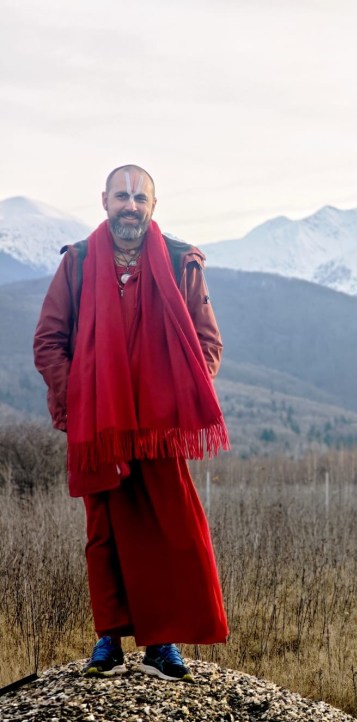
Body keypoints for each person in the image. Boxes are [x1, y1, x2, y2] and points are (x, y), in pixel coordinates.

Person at [33, 164, 230, 682]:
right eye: (121, 196)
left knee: (171, 532)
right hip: (99, 426)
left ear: (153, 206)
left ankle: (162, 642)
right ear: (104, 201)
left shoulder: (179, 262)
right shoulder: (77, 263)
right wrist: (78, 397)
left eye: (140, 198)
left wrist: (177, 397)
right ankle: (109, 637)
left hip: (160, 430)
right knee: (104, 533)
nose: (130, 206)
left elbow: (207, 345)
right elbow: (48, 340)